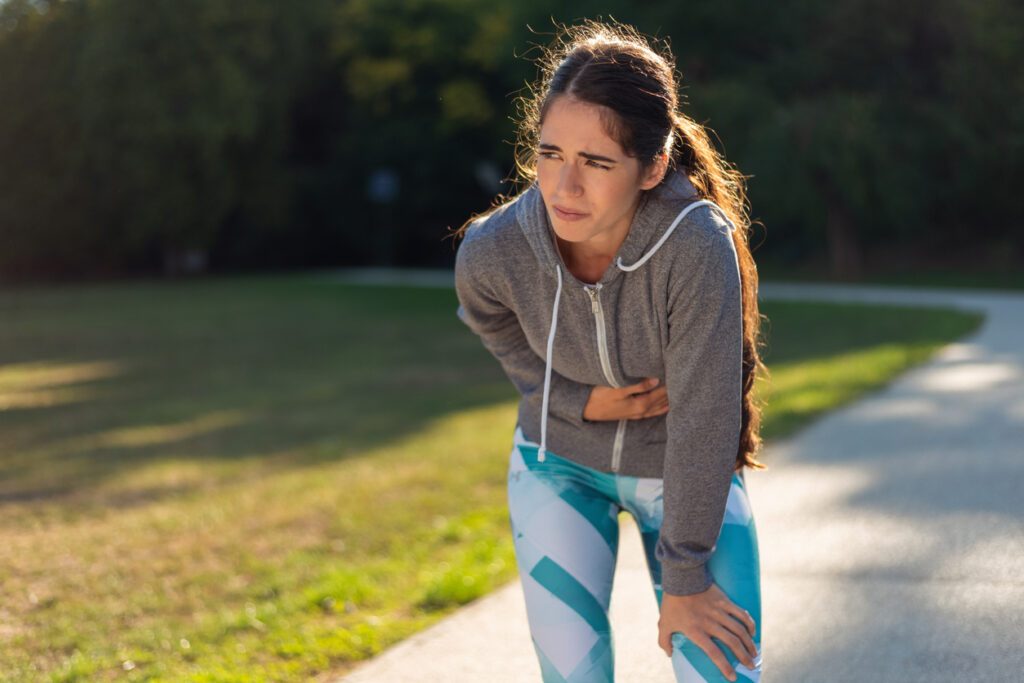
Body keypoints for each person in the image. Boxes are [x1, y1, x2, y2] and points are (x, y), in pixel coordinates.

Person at [451, 18, 769, 683]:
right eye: (550, 154)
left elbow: (707, 416)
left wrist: (685, 576)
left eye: (597, 163)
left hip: (679, 471)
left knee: (724, 672)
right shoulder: (497, 248)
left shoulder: (694, 244)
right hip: (556, 463)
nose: (565, 188)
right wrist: (566, 399)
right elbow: (487, 315)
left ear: (652, 166)